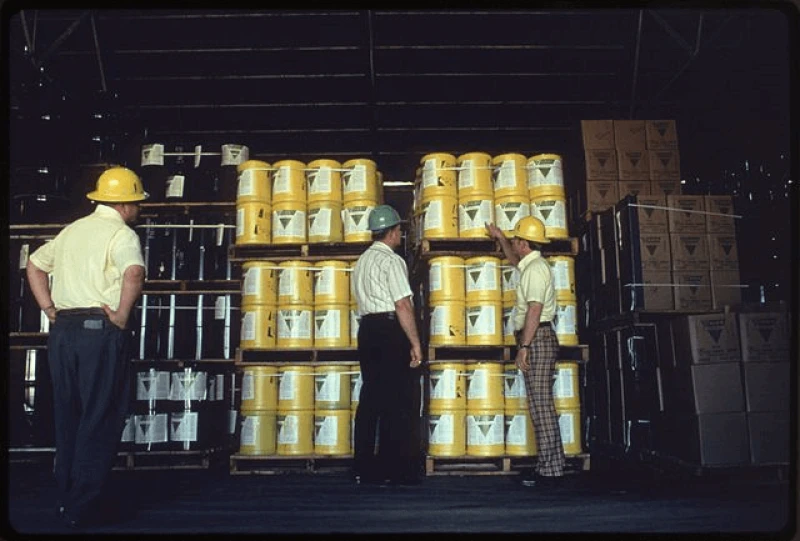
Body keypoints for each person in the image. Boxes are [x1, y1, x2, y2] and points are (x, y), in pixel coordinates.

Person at [26, 166, 148, 527]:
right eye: (137, 203)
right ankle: (84, 506)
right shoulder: (121, 234)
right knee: (101, 414)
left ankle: (66, 498)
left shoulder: (71, 231)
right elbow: (134, 273)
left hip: (63, 332)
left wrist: (49, 309)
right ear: (125, 204)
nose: (138, 210)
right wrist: (123, 315)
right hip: (99, 330)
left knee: (70, 414)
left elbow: (33, 265)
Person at [485, 216, 565, 487]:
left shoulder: (535, 270)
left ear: (524, 242)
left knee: (541, 405)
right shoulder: (531, 265)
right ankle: (548, 466)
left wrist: (525, 347)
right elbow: (513, 261)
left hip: (538, 338)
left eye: (516, 240)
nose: (515, 244)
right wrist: (500, 237)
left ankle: (551, 471)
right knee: (538, 404)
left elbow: (535, 309)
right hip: (537, 337)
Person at [351, 204, 424, 486]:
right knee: (399, 400)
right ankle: (396, 469)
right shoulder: (392, 261)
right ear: (393, 232)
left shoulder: (362, 262)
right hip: (390, 330)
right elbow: (402, 304)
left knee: (371, 399)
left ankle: (363, 468)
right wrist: (415, 343)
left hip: (367, 331)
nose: (401, 235)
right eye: (399, 230)